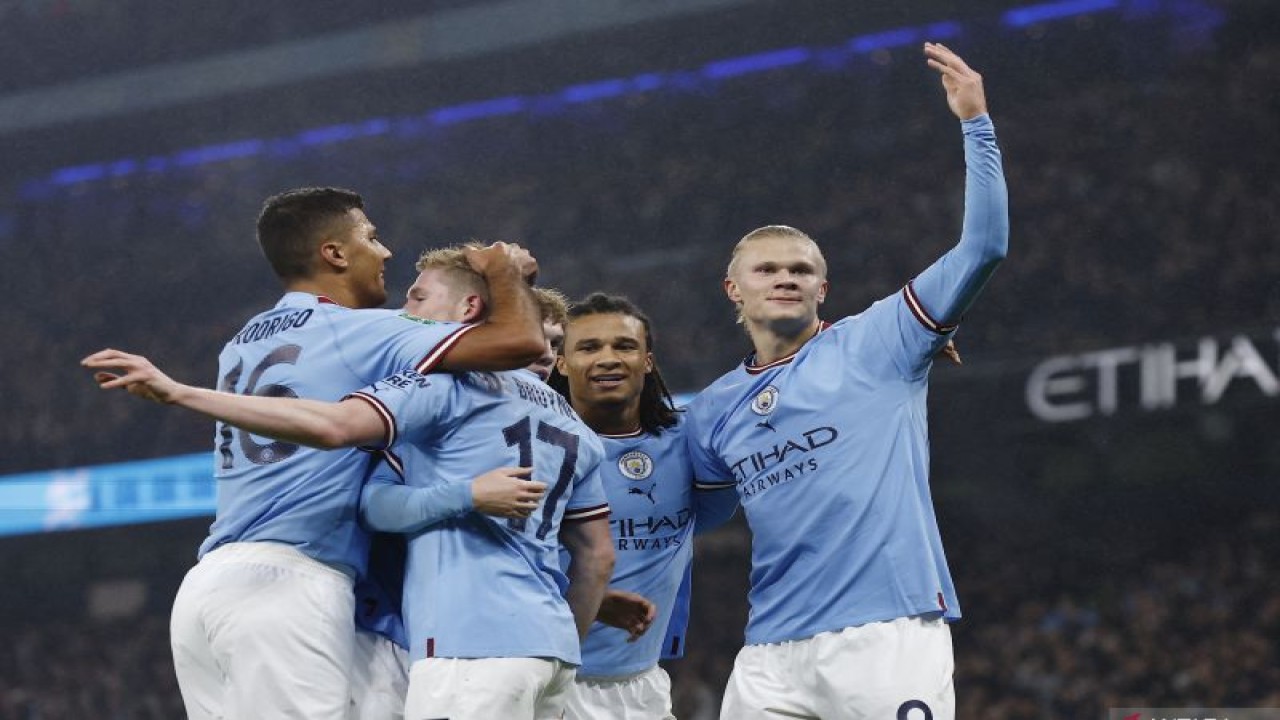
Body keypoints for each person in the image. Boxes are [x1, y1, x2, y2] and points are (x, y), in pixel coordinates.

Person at [86, 248, 616, 720]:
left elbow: (342, 441)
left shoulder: (440, 390)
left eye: (418, 298)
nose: (403, 313)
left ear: (469, 313)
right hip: (538, 643)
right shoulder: (580, 432)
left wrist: (182, 393)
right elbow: (594, 556)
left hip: (443, 639)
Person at [683, 43, 1008, 719]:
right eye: (767, 269)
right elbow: (690, 507)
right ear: (732, 290)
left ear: (822, 289)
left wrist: (975, 121)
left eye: (800, 270)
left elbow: (983, 249)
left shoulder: (878, 341)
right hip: (768, 651)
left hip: (885, 633)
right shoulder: (711, 407)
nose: (785, 278)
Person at [547, 292, 738, 720]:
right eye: (589, 347)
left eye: (625, 345)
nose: (608, 358)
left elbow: (711, 513)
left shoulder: (688, 439)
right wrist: (583, 596)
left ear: (648, 361)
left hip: (643, 685)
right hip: (548, 679)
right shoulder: (540, 447)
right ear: (562, 363)